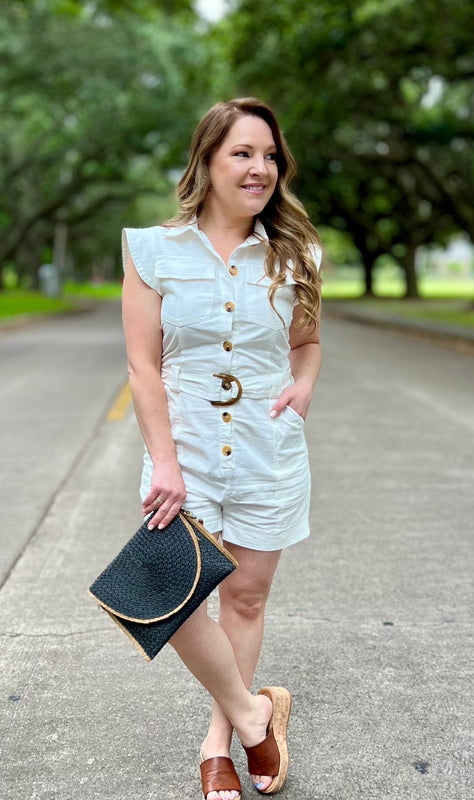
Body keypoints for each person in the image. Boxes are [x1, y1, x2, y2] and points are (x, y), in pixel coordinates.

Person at [121, 97, 322, 800]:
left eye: (270, 156)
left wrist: (304, 385)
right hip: (188, 453)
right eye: (243, 153)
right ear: (206, 161)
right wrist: (166, 462)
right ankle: (253, 712)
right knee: (159, 591)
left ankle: (218, 744)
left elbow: (307, 341)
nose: (260, 168)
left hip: (269, 452)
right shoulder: (153, 251)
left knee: (243, 596)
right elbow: (143, 366)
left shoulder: (298, 253)